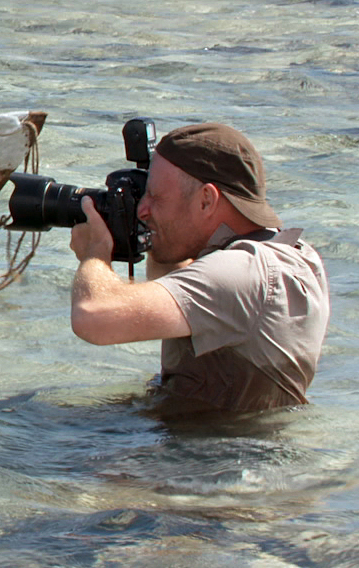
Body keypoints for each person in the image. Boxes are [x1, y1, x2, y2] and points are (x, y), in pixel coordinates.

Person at [66, 122, 330, 413]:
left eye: (156, 196)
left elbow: (93, 318)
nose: (143, 209)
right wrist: (151, 230)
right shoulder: (283, 252)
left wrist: (95, 253)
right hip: (228, 439)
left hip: (218, 454)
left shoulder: (243, 271)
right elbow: (179, 289)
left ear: (206, 200)